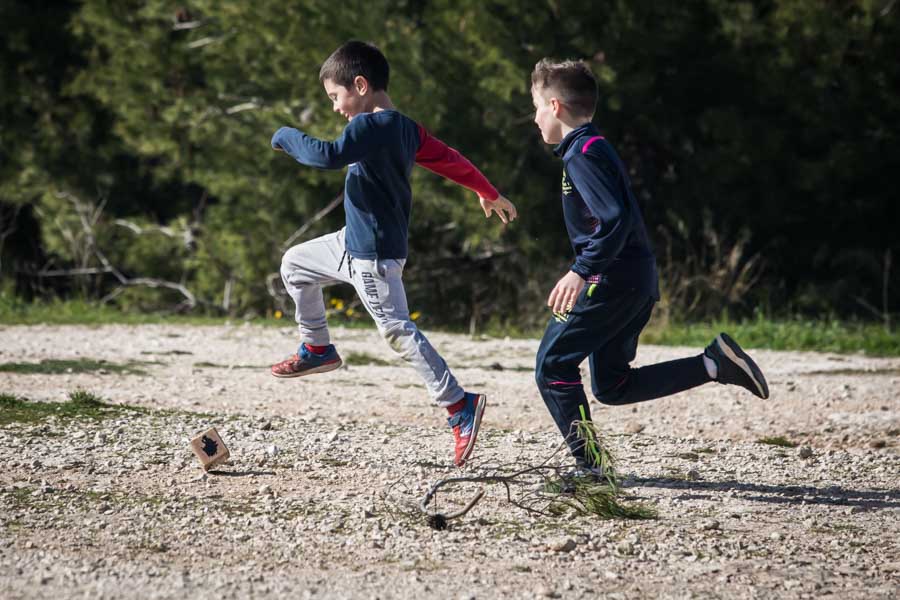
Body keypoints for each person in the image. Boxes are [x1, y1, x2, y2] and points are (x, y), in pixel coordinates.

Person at [270, 41, 517, 467]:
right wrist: (486, 190)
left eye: (335, 96)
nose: (335, 108)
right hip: (351, 241)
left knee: (397, 331)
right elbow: (448, 158)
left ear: (360, 85)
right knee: (294, 263)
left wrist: (285, 136)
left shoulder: (370, 126)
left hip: (374, 254)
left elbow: (327, 156)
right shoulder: (406, 128)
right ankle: (317, 348)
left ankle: (459, 405)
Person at [529, 58, 769, 476]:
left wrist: (581, 269)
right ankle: (713, 364)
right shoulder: (591, 147)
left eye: (534, 107)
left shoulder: (582, 154)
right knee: (612, 385)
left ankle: (593, 470)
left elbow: (615, 219)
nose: (533, 119)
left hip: (609, 281)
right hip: (636, 282)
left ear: (554, 106)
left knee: (553, 366)